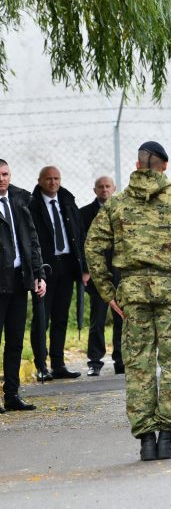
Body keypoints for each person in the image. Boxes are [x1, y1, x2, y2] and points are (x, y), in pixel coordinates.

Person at [85, 141, 171, 461]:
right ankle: (167, 437)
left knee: (139, 365)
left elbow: (92, 248)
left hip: (132, 294)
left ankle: (146, 439)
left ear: (138, 164)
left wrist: (107, 292)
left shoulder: (116, 204)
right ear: (166, 167)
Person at [29, 166, 86, 381]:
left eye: (56, 178)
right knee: (41, 318)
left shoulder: (67, 201)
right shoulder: (32, 205)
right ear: (40, 180)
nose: (53, 182)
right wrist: (35, 270)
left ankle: (58, 363)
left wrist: (84, 268)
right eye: (48, 179)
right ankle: (41, 365)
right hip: (45, 268)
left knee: (61, 318)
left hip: (67, 266)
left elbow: (80, 234)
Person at [0, 159, 46, 412]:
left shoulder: (20, 200)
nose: (2, 179)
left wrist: (38, 274)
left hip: (19, 280)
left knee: (15, 341)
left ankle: (12, 395)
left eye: (5, 174)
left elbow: (32, 240)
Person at [81, 176, 122, 376]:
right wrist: (85, 270)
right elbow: (82, 244)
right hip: (98, 273)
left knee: (121, 317)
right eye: (101, 187)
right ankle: (94, 362)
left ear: (114, 189)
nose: (104, 190)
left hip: (120, 272)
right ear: (94, 189)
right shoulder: (85, 213)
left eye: (108, 186)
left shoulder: (122, 210)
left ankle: (121, 360)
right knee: (97, 318)